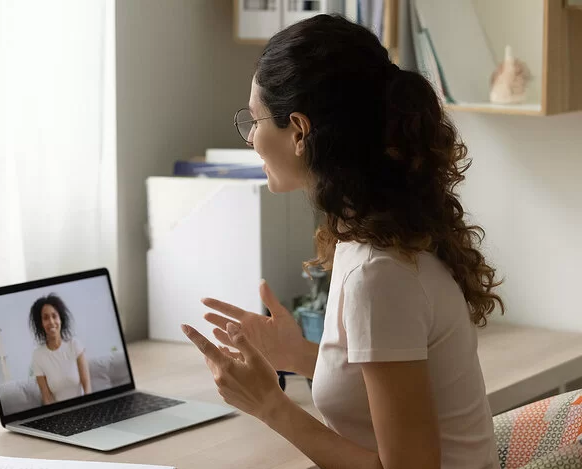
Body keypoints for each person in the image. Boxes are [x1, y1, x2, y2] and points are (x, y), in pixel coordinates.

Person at [181, 14, 504, 469]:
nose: (252, 139)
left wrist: (270, 405)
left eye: (254, 121)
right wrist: (298, 356)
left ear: (298, 131)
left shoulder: (379, 273)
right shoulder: (374, 236)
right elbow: (385, 380)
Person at [29, 293, 91, 405]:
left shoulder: (74, 345)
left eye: (54, 316)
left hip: (83, 407)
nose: (51, 322)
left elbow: (87, 388)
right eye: (46, 318)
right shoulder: (38, 355)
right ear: (41, 323)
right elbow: (46, 397)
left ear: (60, 319)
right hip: (59, 414)